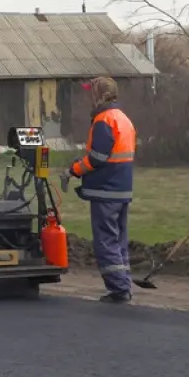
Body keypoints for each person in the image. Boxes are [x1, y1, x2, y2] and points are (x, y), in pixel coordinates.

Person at [61, 76, 137, 304]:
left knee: (105, 240)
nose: (87, 97)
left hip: (106, 190)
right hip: (122, 188)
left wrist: (74, 170)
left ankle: (119, 289)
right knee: (118, 240)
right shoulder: (123, 118)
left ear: (98, 94)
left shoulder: (104, 120)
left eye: (90, 92)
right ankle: (124, 283)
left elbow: (97, 157)